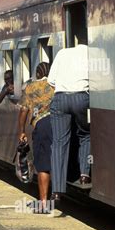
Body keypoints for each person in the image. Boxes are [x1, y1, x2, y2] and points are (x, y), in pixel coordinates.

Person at [48, 42, 91, 202]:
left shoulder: (62, 53)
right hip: (82, 97)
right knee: (86, 134)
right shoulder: (92, 54)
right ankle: (84, 175)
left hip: (60, 98)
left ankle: (57, 190)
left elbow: (51, 81)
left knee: (59, 142)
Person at [17, 62, 54, 213]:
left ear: (37, 74)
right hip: (59, 124)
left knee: (43, 165)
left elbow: (24, 111)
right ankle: (57, 195)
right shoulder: (55, 85)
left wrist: (22, 131)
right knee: (56, 161)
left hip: (42, 126)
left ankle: (44, 203)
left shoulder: (30, 88)